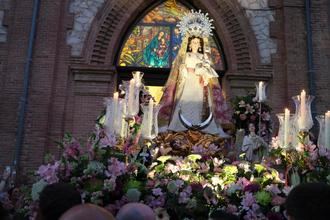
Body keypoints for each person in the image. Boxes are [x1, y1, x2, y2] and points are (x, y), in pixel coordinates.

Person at [158, 11, 231, 137]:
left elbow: (208, 71)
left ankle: (199, 124)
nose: (196, 44)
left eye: (198, 42)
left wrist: (205, 75)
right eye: (194, 42)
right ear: (190, 44)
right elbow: (181, 70)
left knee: (199, 104)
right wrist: (184, 71)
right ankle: (178, 126)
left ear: (201, 44)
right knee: (185, 102)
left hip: (199, 84)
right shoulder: (186, 55)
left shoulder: (204, 57)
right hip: (188, 82)